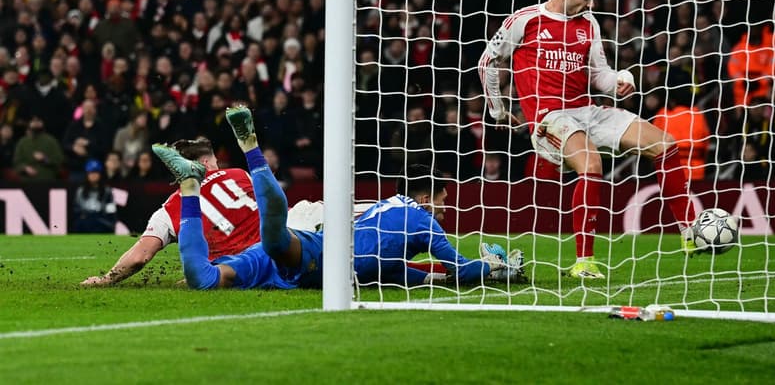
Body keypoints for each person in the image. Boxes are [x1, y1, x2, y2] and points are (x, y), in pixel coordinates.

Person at [478, 0, 697, 279]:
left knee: (664, 143)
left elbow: (599, 75)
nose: (591, 4)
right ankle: (584, 261)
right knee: (591, 163)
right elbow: (487, 62)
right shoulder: (525, 20)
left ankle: (690, 233)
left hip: (587, 111)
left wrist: (620, 79)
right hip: (550, 118)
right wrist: (497, 110)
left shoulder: (588, 23)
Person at [155, 105, 522, 290]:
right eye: (442, 199)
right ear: (426, 197)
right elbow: (462, 270)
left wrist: (435, 278)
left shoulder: (388, 209)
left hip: (291, 260)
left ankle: (190, 188)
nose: (444, 208)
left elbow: (393, 272)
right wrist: (493, 268)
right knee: (275, 238)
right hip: (318, 257)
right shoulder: (422, 220)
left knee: (204, 279)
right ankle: (250, 147)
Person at [80, 137, 260, 286]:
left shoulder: (171, 206)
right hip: (270, 255)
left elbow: (139, 257)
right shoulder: (241, 175)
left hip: (233, 272)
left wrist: (106, 279)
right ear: (206, 163)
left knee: (199, 278)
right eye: (216, 162)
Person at [13, 114, 64, 181]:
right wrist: (25, 168)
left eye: (38, 121)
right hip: (26, 180)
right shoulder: (22, 142)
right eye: (33, 121)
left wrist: (45, 159)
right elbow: (16, 162)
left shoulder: (51, 141)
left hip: (46, 179)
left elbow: (59, 160)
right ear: (29, 123)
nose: (36, 123)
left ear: (43, 123)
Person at [72, 159, 117, 233]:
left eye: (96, 172)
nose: (93, 175)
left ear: (100, 174)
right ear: (87, 174)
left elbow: (111, 211)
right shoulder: (80, 191)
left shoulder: (107, 191)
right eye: (91, 172)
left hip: (101, 222)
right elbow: (76, 210)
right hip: (85, 222)